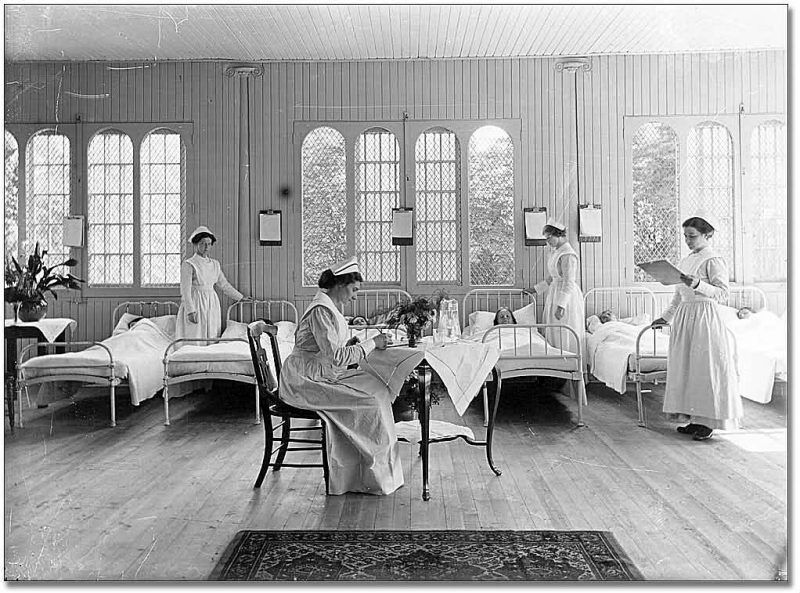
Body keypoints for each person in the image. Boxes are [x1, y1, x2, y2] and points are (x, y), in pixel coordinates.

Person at [278, 256, 403, 496]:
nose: (355, 296)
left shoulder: (329, 308)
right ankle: (362, 476)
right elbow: (336, 356)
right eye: (354, 289)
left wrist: (353, 344)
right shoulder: (321, 310)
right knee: (369, 402)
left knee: (378, 388)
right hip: (304, 380)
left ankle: (382, 472)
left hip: (320, 372)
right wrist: (371, 343)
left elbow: (332, 348)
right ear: (339, 284)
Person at [651, 214, 742, 441]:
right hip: (685, 316)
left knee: (703, 369)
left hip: (704, 317)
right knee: (686, 368)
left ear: (707, 235)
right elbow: (678, 295)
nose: (688, 241)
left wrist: (699, 284)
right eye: (685, 236)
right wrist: (665, 318)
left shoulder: (713, 260)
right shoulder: (685, 261)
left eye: (692, 236)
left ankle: (708, 422)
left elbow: (723, 294)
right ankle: (694, 419)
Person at [175, 226, 250, 340]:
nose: (206, 247)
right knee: (196, 332)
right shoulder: (189, 264)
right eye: (202, 243)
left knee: (211, 331)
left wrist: (240, 297)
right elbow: (185, 291)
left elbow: (224, 285)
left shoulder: (215, 264)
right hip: (196, 301)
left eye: (209, 244)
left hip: (211, 302)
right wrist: (190, 311)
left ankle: (211, 351)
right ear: (195, 244)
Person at [532, 218, 585, 354]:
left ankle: (569, 361)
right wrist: (535, 289)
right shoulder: (556, 252)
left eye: (549, 237)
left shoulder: (568, 254)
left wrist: (561, 306)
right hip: (555, 292)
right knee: (554, 329)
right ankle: (555, 361)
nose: (547, 241)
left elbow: (569, 282)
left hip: (567, 297)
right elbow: (552, 277)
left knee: (565, 328)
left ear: (558, 235)